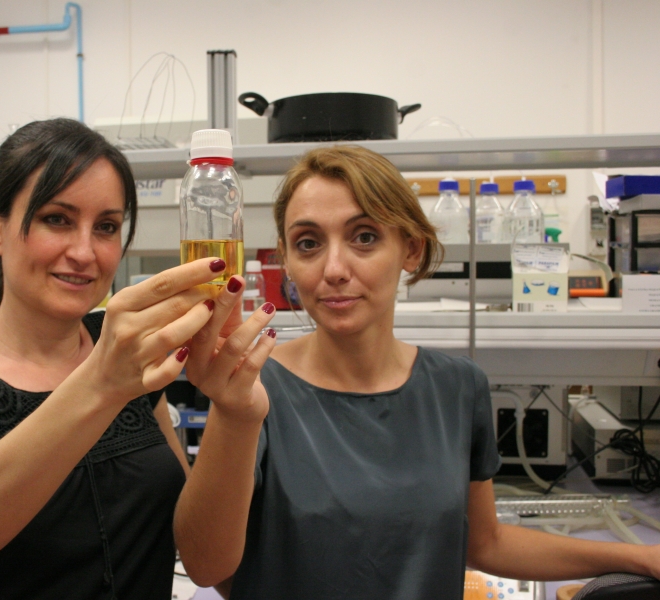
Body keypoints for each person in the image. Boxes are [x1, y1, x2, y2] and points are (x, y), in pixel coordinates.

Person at [174, 145, 660, 599]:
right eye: (308, 243)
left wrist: (638, 557)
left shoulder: (457, 387)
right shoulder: (251, 388)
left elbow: (486, 543)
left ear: (411, 248)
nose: (334, 268)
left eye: (364, 237)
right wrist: (234, 415)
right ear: (287, 260)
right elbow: (205, 566)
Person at [0, 118, 239, 599]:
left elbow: (198, 554)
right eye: (57, 219)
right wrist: (103, 382)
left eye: (106, 227)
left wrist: (235, 412)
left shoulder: (123, 351)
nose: (85, 252)